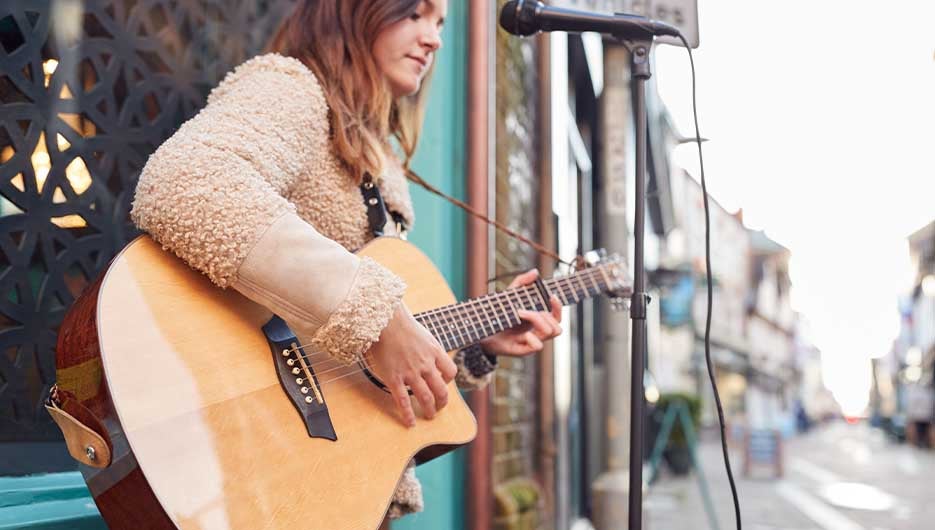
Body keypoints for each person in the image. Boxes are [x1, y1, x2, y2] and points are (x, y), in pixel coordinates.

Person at [130, 0, 563, 520]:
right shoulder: (291, 88)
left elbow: (350, 363)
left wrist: (477, 339)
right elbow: (187, 183)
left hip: (341, 483)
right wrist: (377, 318)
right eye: (414, 14)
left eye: (442, 24)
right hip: (258, 457)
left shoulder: (381, 159)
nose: (434, 39)